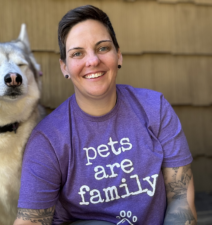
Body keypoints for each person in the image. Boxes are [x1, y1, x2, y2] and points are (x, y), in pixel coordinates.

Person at [13, 5, 197, 225]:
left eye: (102, 48)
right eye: (77, 53)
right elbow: (31, 222)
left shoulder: (154, 109)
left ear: (118, 55)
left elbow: (180, 198)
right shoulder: (48, 140)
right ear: (65, 67)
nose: (92, 61)